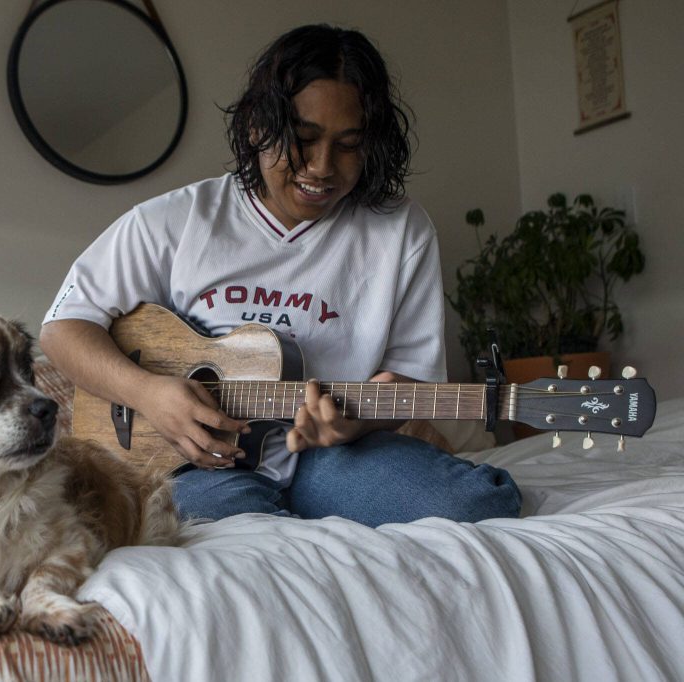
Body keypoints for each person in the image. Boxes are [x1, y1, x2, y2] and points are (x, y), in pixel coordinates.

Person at [40, 24, 521, 526]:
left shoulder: (400, 229)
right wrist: (149, 394)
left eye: (349, 144)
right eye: (304, 139)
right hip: (199, 462)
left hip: (332, 460)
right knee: (246, 545)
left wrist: (353, 425)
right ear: (256, 127)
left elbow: (409, 378)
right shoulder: (174, 220)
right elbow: (63, 328)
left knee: (479, 504)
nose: (321, 167)